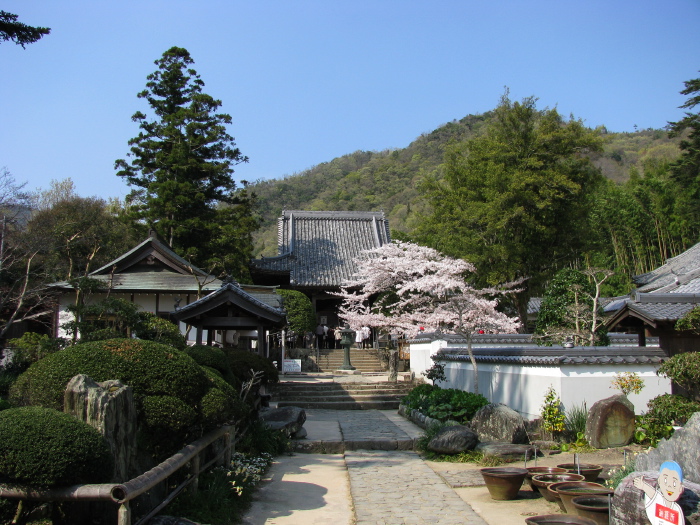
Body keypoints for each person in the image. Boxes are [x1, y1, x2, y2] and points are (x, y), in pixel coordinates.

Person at [633, 460, 685, 525]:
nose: (669, 486)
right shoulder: (659, 499)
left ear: (680, 488)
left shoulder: (676, 509)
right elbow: (653, 493)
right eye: (665, 480)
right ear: (660, 480)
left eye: (674, 484)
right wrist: (643, 485)